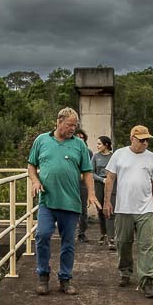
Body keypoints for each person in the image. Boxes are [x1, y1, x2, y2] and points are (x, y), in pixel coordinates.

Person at [27, 107, 99, 295]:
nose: (73, 129)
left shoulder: (79, 145)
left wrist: (91, 193)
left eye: (75, 126)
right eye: (69, 125)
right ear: (59, 122)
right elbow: (31, 165)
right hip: (47, 201)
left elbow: (87, 171)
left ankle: (65, 279)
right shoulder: (41, 140)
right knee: (42, 235)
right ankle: (43, 276)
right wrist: (35, 181)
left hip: (71, 203)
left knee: (68, 242)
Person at [103, 125, 153, 298]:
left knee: (146, 245)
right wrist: (107, 202)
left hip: (145, 208)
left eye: (147, 140)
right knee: (123, 243)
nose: (145, 143)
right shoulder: (119, 154)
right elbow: (110, 178)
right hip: (123, 207)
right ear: (132, 138)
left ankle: (147, 279)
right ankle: (125, 272)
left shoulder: (152, 158)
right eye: (141, 140)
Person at [92, 135, 114, 246]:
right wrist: (102, 180)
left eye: (99, 144)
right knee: (100, 209)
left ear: (106, 145)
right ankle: (103, 233)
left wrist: (109, 180)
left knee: (110, 209)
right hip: (99, 185)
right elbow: (91, 172)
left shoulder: (113, 156)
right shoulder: (96, 156)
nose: (97, 146)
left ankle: (111, 236)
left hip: (112, 185)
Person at [76, 129, 90, 242]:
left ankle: (82, 233)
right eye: (78, 137)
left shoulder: (88, 152)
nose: (80, 139)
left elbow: (89, 170)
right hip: (70, 183)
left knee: (83, 210)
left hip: (83, 184)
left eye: (82, 138)